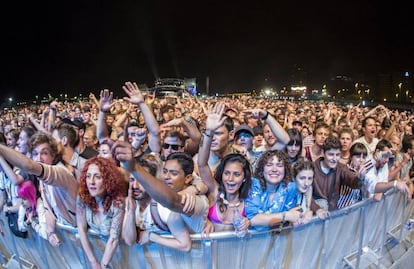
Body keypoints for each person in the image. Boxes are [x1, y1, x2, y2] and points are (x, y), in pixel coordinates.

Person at [114, 139, 209, 252]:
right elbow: (129, 241)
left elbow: (185, 245)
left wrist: (151, 236)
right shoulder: (131, 203)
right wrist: (130, 212)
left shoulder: (167, 206)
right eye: (165, 172)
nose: (167, 176)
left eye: (142, 181)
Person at [198, 103, 252, 236]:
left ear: (244, 177)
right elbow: (202, 164)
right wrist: (209, 132)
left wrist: (250, 222)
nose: (230, 179)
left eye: (236, 174)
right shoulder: (215, 192)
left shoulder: (249, 201)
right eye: (227, 173)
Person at [76, 157, 127, 269]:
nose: (91, 182)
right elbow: (81, 229)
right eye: (88, 176)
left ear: (108, 180)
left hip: (119, 255)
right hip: (94, 254)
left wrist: (103, 265)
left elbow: (113, 239)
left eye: (97, 177)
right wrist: (93, 262)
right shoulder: (82, 197)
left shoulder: (118, 202)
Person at [245, 150, 302, 231]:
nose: (274, 169)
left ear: (285, 170)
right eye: (269, 165)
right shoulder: (254, 184)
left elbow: (294, 216)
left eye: (279, 165)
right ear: (262, 169)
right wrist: (285, 216)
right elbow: (253, 219)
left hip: (278, 238)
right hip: (254, 239)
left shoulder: (290, 188)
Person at [310, 136, 365, 218]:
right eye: (331, 154)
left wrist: (360, 177)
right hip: (314, 216)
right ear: (323, 153)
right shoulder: (312, 169)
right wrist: (317, 209)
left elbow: (352, 182)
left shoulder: (341, 168)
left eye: (337, 155)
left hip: (332, 215)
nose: (334, 159)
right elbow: (305, 195)